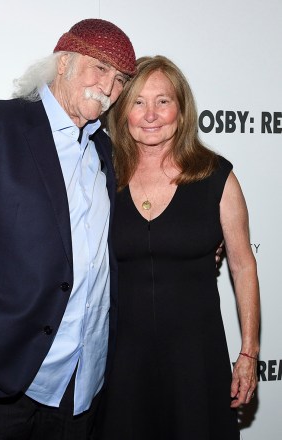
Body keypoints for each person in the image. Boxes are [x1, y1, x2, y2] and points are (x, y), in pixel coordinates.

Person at [0, 18, 137, 440]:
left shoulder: (104, 147)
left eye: (120, 79)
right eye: (99, 68)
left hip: (82, 378)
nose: (110, 88)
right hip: (0, 372)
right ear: (64, 63)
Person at [95, 55, 260, 440]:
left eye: (163, 101)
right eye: (138, 102)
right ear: (122, 111)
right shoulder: (101, 174)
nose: (150, 114)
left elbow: (242, 265)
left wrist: (249, 354)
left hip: (196, 360)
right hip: (121, 364)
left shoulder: (216, 176)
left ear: (181, 109)